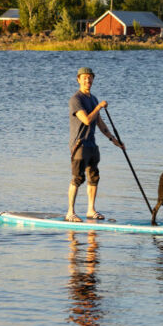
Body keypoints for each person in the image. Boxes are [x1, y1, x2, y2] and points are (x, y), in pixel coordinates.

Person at [67, 66, 123, 222]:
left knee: (94, 177)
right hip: (79, 145)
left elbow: (99, 122)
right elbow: (86, 119)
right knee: (78, 178)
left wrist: (113, 140)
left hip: (92, 145)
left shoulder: (93, 98)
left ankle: (91, 210)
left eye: (90, 77)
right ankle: (70, 212)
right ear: (78, 80)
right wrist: (98, 107)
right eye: (84, 77)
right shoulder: (76, 99)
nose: (88, 80)